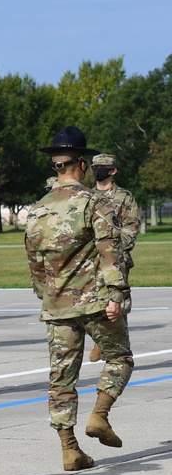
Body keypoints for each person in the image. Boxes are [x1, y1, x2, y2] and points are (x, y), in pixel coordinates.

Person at [25, 126, 133, 472]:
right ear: (82, 164)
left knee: (61, 380)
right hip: (96, 302)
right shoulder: (95, 202)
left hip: (56, 307)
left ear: (55, 166)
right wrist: (116, 294)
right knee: (119, 359)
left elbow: (35, 264)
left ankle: (69, 449)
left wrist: (49, 295)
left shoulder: (38, 209)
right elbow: (110, 252)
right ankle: (99, 416)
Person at [87, 153, 140, 363]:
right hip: (90, 261)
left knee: (118, 305)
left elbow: (131, 231)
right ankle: (100, 341)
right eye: (94, 167)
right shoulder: (86, 197)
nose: (97, 170)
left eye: (102, 167)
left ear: (113, 171)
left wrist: (110, 248)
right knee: (92, 303)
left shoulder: (125, 197)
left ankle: (118, 351)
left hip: (116, 260)